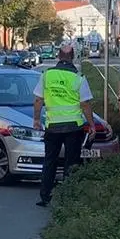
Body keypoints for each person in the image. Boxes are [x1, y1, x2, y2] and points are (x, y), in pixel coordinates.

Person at [33, 43, 95, 207]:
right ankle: (68, 199)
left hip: (52, 126)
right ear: (73, 57)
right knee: (71, 163)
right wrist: (92, 125)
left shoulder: (47, 75)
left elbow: (38, 100)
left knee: (50, 161)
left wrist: (37, 120)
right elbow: (85, 104)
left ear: (59, 56)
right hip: (73, 127)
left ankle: (45, 196)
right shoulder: (78, 77)